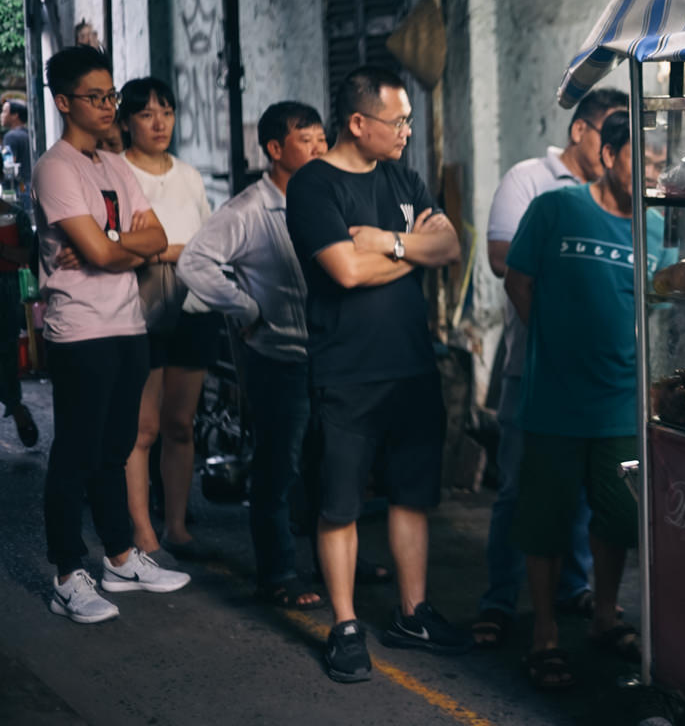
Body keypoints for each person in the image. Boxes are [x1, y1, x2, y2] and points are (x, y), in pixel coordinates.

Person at [286, 65, 468, 683]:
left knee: (412, 496)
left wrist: (387, 244)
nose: (407, 133)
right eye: (398, 122)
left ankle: (413, 613)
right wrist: (408, 252)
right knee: (339, 504)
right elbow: (345, 273)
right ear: (358, 122)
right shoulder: (313, 186)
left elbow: (447, 249)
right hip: (347, 371)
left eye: (410, 121)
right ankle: (344, 624)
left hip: (411, 366)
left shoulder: (403, 178)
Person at [505, 111, 669, 691]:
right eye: (643, 159)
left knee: (621, 516)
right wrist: (552, 344)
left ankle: (603, 618)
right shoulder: (557, 208)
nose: (652, 171)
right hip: (553, 399)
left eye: (658, 162)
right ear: (608, 156)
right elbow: (518, 278)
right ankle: (545, 633)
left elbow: (660, 313)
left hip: (619, 401)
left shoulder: (655, 230)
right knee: (545, 522)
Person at [34, 45, 190, 625]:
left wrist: (110, 245)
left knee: (115, 448)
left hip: (128, 324)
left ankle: (121, 558)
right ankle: (67, 573)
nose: (108, 106)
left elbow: (156, 238)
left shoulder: (115, 165)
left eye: (111, 96)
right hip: (80, 330)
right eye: (96, 97)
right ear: (64, 102)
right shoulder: (57, 168)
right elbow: (118, 247)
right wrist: (121, 244)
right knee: (75, 451)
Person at [473, 86, 629, 648]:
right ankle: (500, 601)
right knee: (524, 492)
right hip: (534, 370)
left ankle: (577, 594)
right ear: (584, 133)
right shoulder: (534, 185)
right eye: (611, 131)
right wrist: (560, 336)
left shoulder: (645, 215)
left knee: (592, 501)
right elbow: (504, 261)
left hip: (608, 392)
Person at [178, 101, 329, 609]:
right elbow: (194, 263)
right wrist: (246, 310)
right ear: (275, 149)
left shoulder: (329, 199)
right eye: (306, 140)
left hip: (329, 356)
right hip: (277, 359)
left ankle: (332, 564)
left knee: (329, 464)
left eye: (321, 139)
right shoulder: (247, 210)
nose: (319, 148)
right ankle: (279, 572)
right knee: (278, 466)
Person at [116, 78, 221, 561]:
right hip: (140, 312)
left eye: (166, 112)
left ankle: (177, 524)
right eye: (146, 114)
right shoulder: (118, 174)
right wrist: (171, 251)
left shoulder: (190, 176)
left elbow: (206, 247)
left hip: (194, 309)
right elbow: (118, 247)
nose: (158, 123)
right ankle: (142, 528)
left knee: (181, 424)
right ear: (128, 122)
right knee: (144, 428)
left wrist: (164, 250)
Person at [0, 194, 37, 446]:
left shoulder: (15, 216)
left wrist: (2, 249)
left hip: (6, 296)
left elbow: (30, 255)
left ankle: (17, 409)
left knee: (6, 357)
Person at [3, 99, 31, 210]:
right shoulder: (28, 134)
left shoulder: (11, 136)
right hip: (29, 188)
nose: (2, 115)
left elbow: (8, 165)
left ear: (15, 115)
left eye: (5, 112)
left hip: (17, 190)